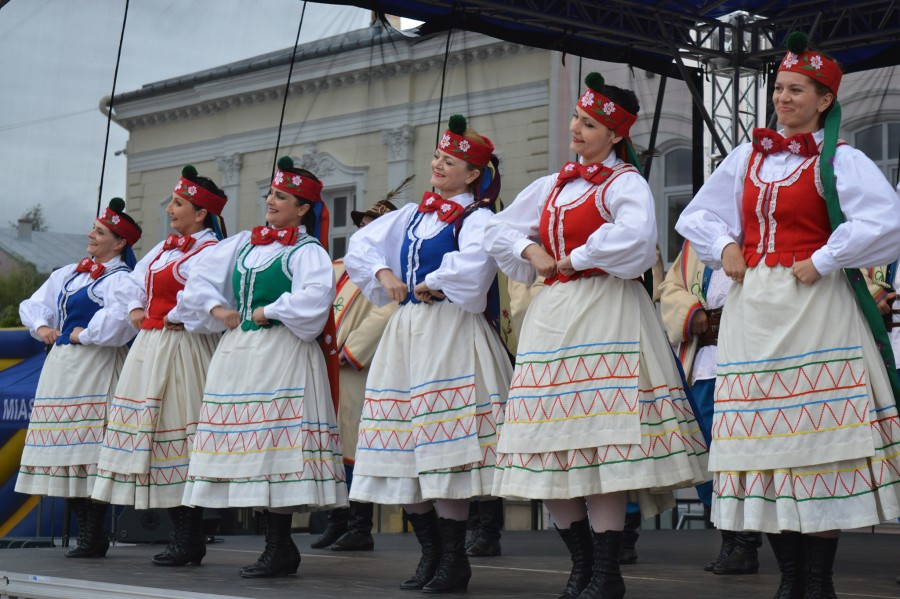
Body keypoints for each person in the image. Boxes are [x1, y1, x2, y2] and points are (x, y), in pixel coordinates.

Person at [674, 32, 900, 599]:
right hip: (755, 310)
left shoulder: (841, 159)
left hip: (815, 308)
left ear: (824, 100)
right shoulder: (749, 157)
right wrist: (725, 248)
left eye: (796, 89)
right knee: (762, 443)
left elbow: (886, 221)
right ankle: (791, 580)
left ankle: (817, 583)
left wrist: (825, 258)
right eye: (779, 87)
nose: (782, 98)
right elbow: (699, 214)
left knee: (812, 446)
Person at [484, 72, 707, 599]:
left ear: (614, 135)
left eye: (590, 123)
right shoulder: (553, 185)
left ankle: (606, 573)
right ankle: (581, 566)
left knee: (602, 448)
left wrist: (573, 257)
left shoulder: (624, 182)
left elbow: (634, 239)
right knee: (550, 447)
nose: (577, 129)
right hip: (554, 318)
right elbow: (494, 228)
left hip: (606, 311)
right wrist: (530, 252)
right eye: (577, 119)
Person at [344, 114, 513, 594]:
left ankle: (454, 558)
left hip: (450, 334)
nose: (438, 165)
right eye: (437, 157)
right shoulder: (414, 214)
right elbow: (361, 245)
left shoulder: (477, 217)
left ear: (473, 173)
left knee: (445, 451)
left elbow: (475, 268)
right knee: (401, 448)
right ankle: (432, 555)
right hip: (408, 332)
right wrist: (384, 277)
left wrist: (430, 281)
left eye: (450, 160)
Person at [181, 156, 346, 578]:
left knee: (276, 445)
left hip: (283, 354)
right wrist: (219, 309)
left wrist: (269, 309)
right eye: (271, 193)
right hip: (240, 356)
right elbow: (198, 278)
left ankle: (279, 545)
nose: (271, 201)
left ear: (303, 207)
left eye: (282, 196)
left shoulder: (307, 251)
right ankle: (278, 547)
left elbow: (315, 298)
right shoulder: (243, 243)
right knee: (252, 448)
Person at [91, 166, 228, 567]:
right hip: (152, 347)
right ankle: (182, 535)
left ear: (201, 213)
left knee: (180, 436)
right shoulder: (165, 248)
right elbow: (134, 282)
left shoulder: (212, 250)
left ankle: (191, 535)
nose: (170, 209)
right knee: (153, 439)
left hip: (187, 348)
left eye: (179, 203)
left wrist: (172, 314)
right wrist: (136, 308)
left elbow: (208, 295)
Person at [16, 198, 141, 558]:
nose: (91, 235)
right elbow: (35, 303)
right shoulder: (69, 273)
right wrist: (42, 326)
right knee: (64, 448)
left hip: (96, 367)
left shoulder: (121, 279)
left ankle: (94, 531)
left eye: (100, 232)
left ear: (119, 243)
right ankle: (86, 527)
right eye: (94, 228)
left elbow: (118, 324)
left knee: (91, 450)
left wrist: (81, 334)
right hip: (62, 370)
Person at [659, 240, 763, 574]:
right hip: (703, 365)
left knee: (741, 456)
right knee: (707, 459)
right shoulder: (696, 245)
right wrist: (693, 312)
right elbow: (669, 286)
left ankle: (746, 544)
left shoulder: (758, 232)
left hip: (746, 359)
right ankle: (728, 540)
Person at [311, 196, 400, 552]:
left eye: (374, 224)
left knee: (354, 443)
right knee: (332, 443)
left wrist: (353, 350)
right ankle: (337, 518)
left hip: (355, 366)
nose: (365, 229)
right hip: (324, 364)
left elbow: (388, 311)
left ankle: (359, 524)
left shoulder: (392, 269)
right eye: (363, 223)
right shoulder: (336, 266)